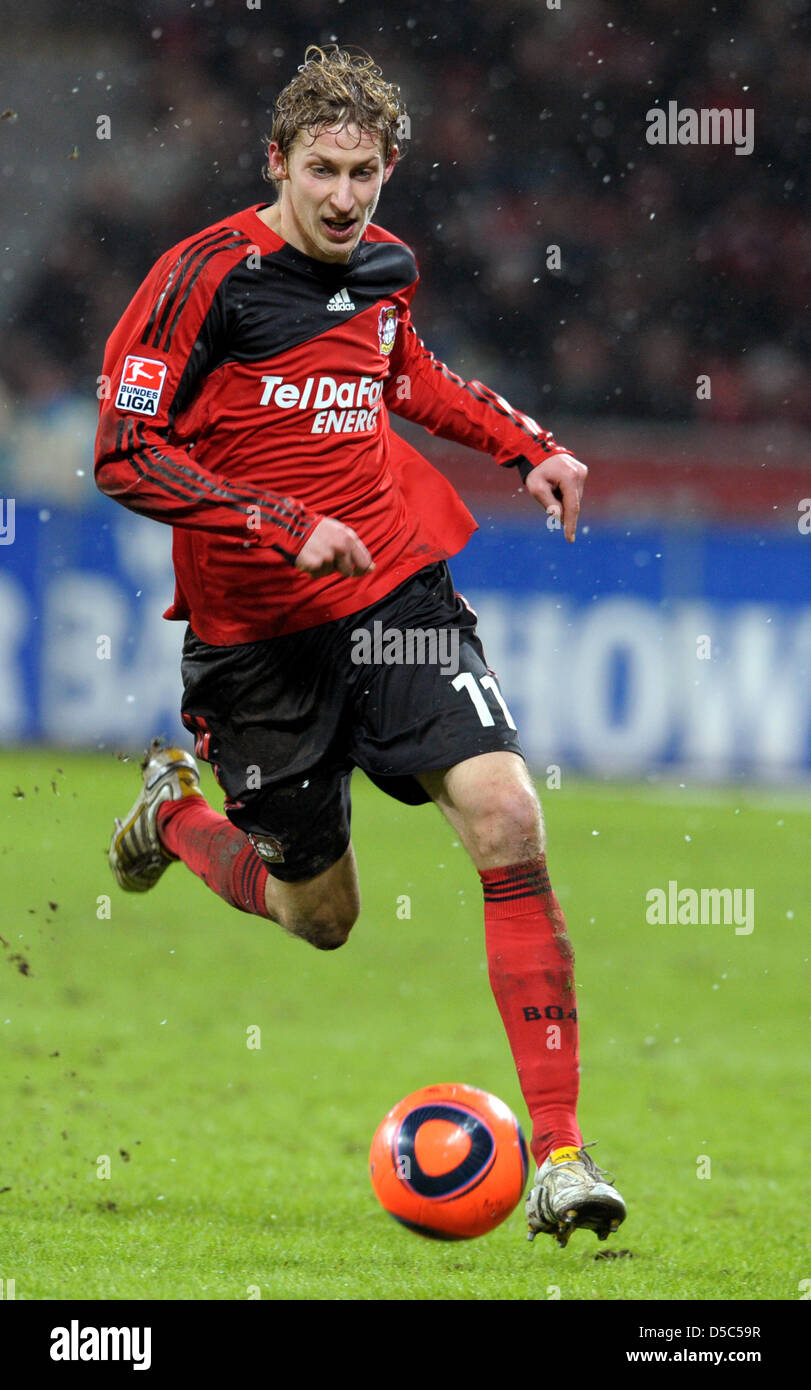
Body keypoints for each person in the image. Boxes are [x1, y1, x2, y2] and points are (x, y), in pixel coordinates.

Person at [95, 43, 626, 1248]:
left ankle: (561, 1158)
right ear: (275, 162)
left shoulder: (385, 268)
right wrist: (277, 520)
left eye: (367, 175)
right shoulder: (200, 279)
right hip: (255, 637)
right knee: (317, 914)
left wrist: (521, 442)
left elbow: (407, 373)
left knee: (506, 814)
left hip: (393, 592)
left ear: (390, 175)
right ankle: (175, 817)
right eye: (323, 171)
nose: (345, 199)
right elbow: (122, 450)